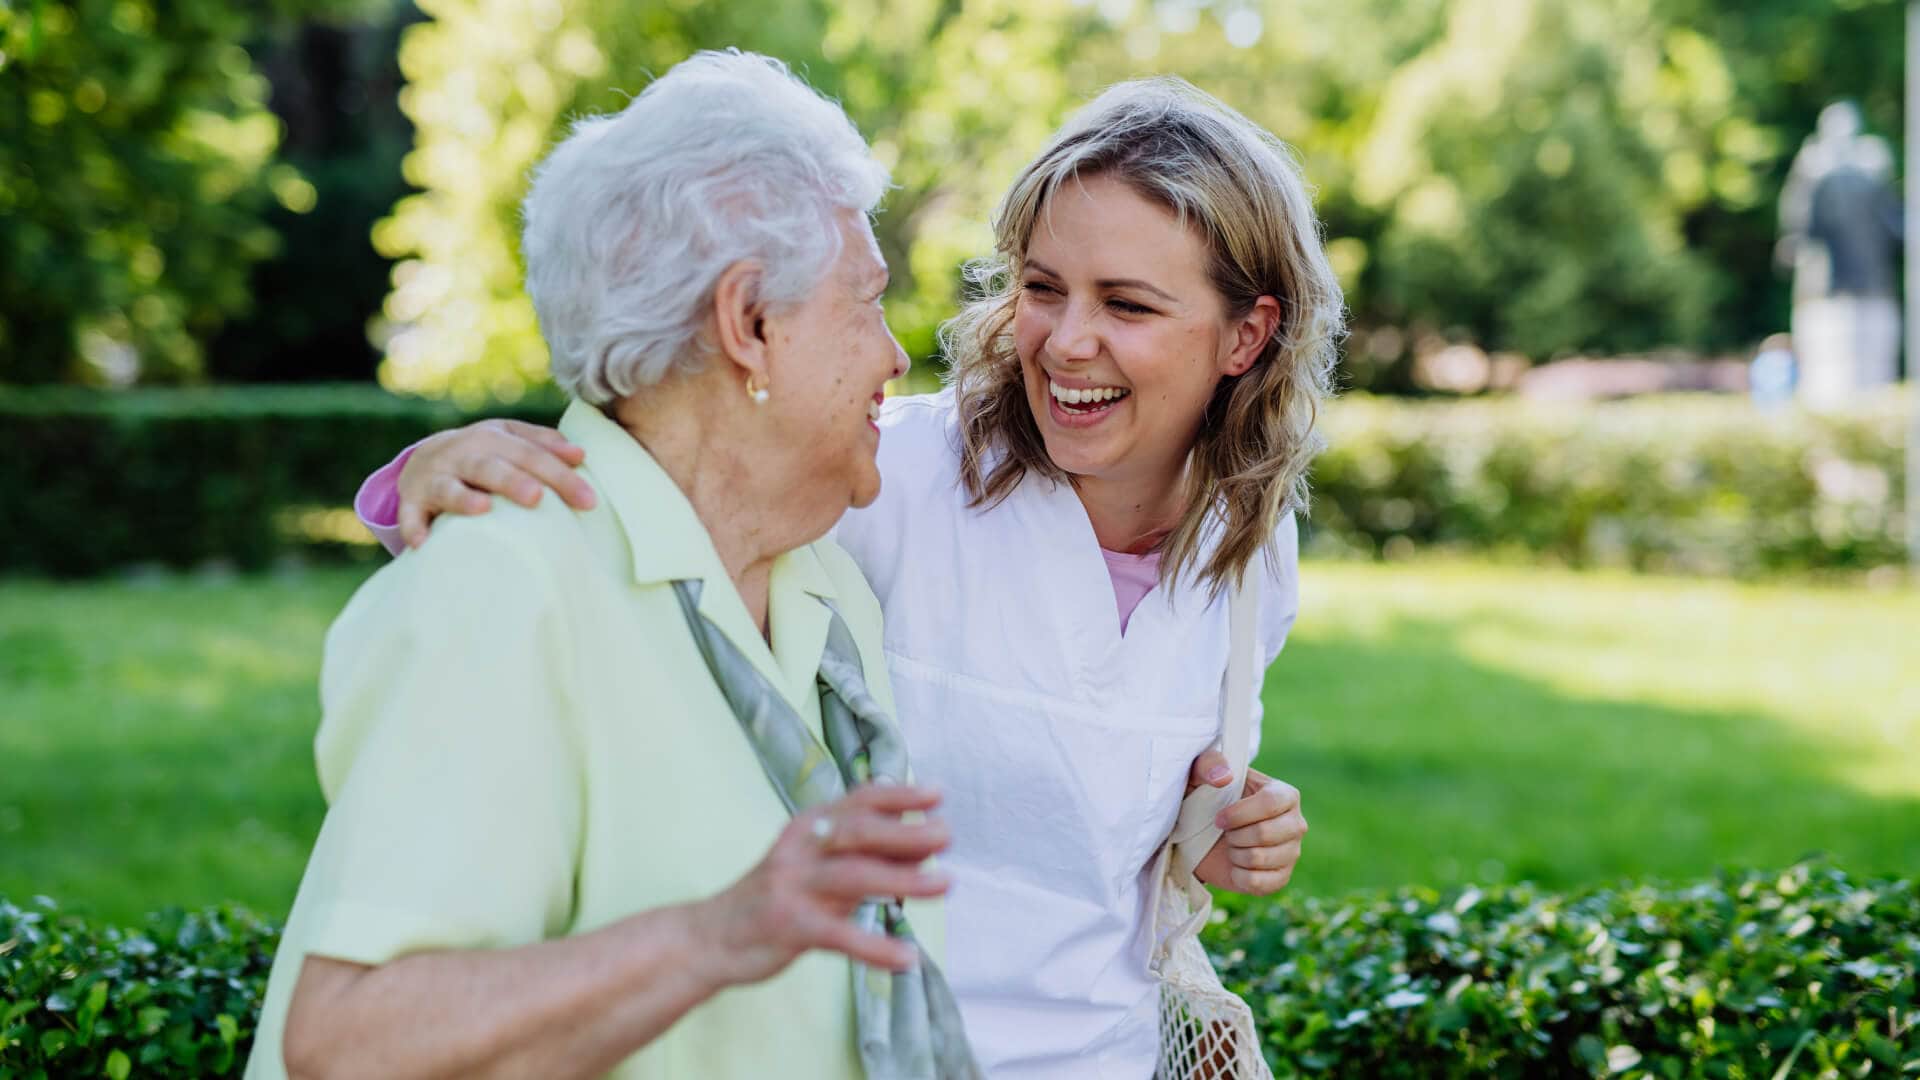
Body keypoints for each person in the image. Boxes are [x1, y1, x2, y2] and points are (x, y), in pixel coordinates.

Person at [358, 75, 1336, 1076]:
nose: (1064, 339)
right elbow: (645, 533)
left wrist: (1205, 834)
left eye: (1125, 303)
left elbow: (1096, 817)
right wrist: (437, 477)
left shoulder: (1253, 550)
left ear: (1246, 336)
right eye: (1042, 288)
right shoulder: (891, 477)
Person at [248, 51, 982, 1080]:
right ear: (749, 325)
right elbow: (352, 1041)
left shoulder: (827, 588)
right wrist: (720, 934)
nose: (895, 355)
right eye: (866, 301)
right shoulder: (505, 584)